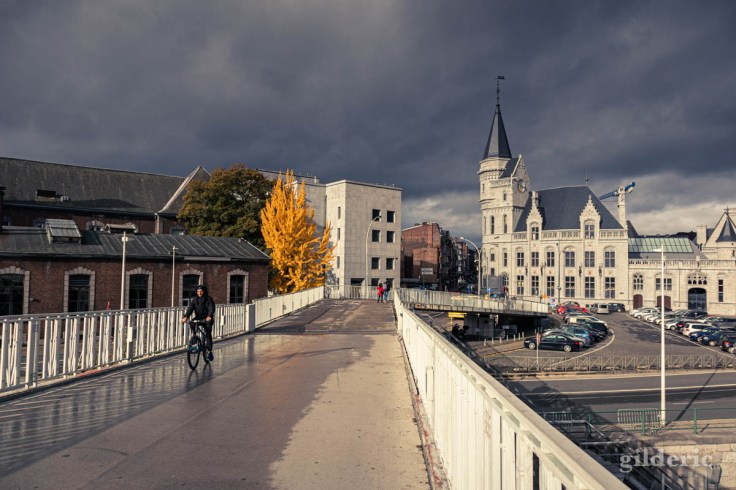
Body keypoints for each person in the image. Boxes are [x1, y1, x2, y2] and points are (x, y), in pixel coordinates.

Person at [181, 284, 216, 361]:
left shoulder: (208, 299)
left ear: (204, 291)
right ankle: (195, 339)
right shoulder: (194, 300)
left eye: (201, 291)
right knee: (192, 323)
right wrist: (186, 316)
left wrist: (209, 315)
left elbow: (211, 308)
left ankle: (209, 350)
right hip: (198, 318)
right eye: (198, 291)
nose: (199, 293)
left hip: (207, 318)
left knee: (208, 333)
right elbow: (190, 308)